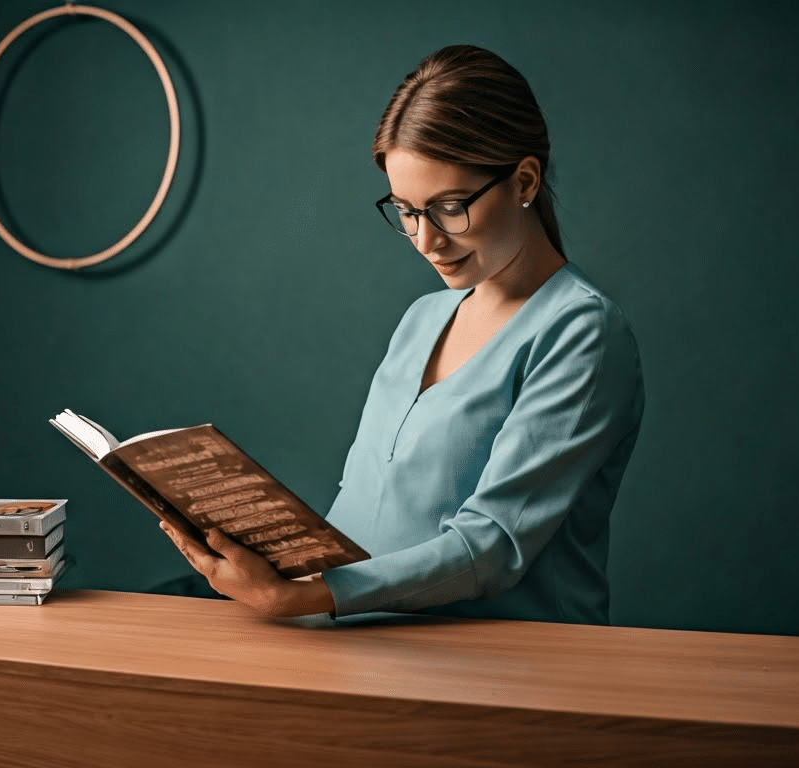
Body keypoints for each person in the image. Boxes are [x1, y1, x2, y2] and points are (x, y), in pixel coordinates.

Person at [161, 45, 645, 623]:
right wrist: (269, 558)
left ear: (524, 180)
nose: (426, 240)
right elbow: (365, 503)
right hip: (361, 642)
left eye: (448, 207)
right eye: (407, 211)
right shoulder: (423, 318)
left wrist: (307, 598)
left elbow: (492, 548)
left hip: (504, 665)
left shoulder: (581, 331)